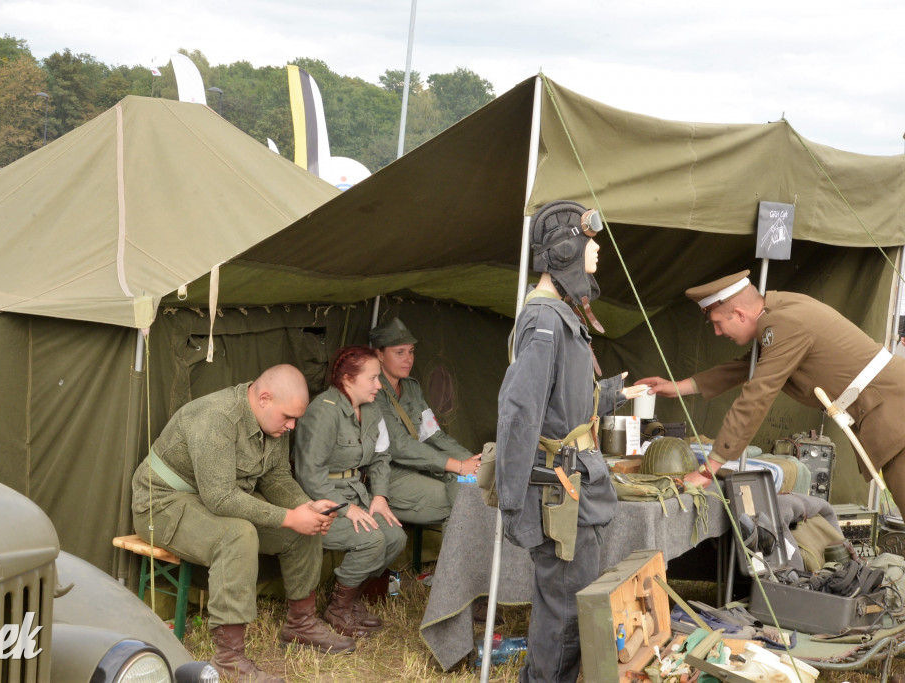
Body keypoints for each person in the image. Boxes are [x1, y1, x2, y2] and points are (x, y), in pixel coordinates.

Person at [496, 200, 644, 683]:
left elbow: (569, 404)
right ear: (564, 250)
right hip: (560, 492)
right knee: (563, 615)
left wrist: (621, 391)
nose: (597, 252)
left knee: (571, 605)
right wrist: (514, 502)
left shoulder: (561, 316)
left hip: (577, 486)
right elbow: (519, 415)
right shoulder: (543, 320)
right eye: (589, 243)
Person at [131, 364, 354, 682]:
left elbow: (277, 477)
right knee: (238, 535)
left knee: (305, 528)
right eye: (287, 417)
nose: (291, 426)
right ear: (264, 398)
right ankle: (229, 659)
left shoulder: (273, 424)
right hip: (162, 504)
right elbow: (220, 499)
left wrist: (305, 507)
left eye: (296, 419)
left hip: (212, 500)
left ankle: (301, 625)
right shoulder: (216, 417)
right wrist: (291, 517)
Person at [636, 271, 905, 511]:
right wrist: (675, 388)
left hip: (893, 411)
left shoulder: (783, 325)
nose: (717, 332)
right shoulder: (779, 313)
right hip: (886, 406)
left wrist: (709, 470)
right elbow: (746, 367)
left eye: (718, 322)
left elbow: (756, 396)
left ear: (740, 314)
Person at [293, 345, 408, 637]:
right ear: (347, 380)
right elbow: (309, 474)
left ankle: (352, 598)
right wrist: (344, 507)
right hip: (319, 502)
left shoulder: (371, 410)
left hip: (358, 492)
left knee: (395, 537)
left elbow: (381, 456)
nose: (379, 385)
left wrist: (379, 496)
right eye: (372, 378)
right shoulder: (323, 413)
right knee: (371, 540)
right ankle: (338, 608)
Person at [368, 317, 482, 527]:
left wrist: (470, 462)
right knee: (459, 504)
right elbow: (399, 446)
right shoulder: (373, 391)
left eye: (411, 351)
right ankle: (455, 560)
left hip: (422, 467)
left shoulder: (411, 387)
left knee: (470, 485)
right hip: (389, 474)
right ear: (379, 355)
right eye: (399, 352)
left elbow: (433, 434)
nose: (408, 359)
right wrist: (458, 465)